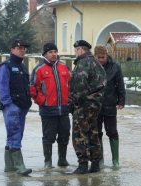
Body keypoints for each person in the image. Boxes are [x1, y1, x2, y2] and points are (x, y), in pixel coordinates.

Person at [30, 43, 71, 169]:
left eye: (55, 51)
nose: (53, 54)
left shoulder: (64, 67)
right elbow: (33, 88)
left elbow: (71, 84)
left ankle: (62, 160)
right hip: (48, 110)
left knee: (64, 135)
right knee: (49, 137)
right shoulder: (39, 69)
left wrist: (69, 101)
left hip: (64, 109)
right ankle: (48, 162)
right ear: (45, 54)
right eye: (50, 52)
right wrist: (43, 102)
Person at [69, 40, 106, 174]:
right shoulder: (97, 64)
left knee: (79, 135)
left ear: (80, 50)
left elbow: (79, 87)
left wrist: (71, 103)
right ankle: (95, 164)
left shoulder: (82, 64)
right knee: (93, 134)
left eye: (75, 51)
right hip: (95, 105)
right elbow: (102, 84)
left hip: (82, 105)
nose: (75, 53)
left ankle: (83, 165)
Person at [0, 39, 32, 175]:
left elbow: (26, 86)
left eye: (23, 48)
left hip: (23, 106)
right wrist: (9, 105)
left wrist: (28, 103)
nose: (22, 50)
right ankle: (20, 166)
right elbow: (2, 87)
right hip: (12, 107)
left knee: (14, 135)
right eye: (19, 48)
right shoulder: (6, 66)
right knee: (15, 134)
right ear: (12, 50)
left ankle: (10, 166)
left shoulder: (23, 66)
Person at [94, 45, 125, 167]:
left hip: (110, 104)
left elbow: (120, 84)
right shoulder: (91, 66)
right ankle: (100, 159)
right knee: (97, 133)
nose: (101, 60)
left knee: (112, 132)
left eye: (103, 57)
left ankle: (115, 160)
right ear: (95, 56)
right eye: (99, 57)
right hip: (95, 105)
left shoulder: (115, 67)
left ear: (106, 55)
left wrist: (121, 101)